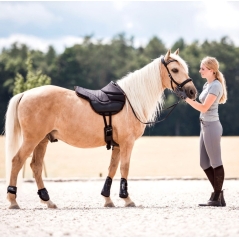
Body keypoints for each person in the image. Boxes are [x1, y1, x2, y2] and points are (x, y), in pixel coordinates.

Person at [175, 56, 227, 207]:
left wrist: (187, 99)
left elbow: (204, 107)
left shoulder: (216, 86)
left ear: (211, 70)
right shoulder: (207, 85)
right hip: (204, 126)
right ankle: (219, 194)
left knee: (216, 162)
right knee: (204, 163)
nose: (200, 71)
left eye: (203, 68)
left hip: (212, 126)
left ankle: (217, 196)